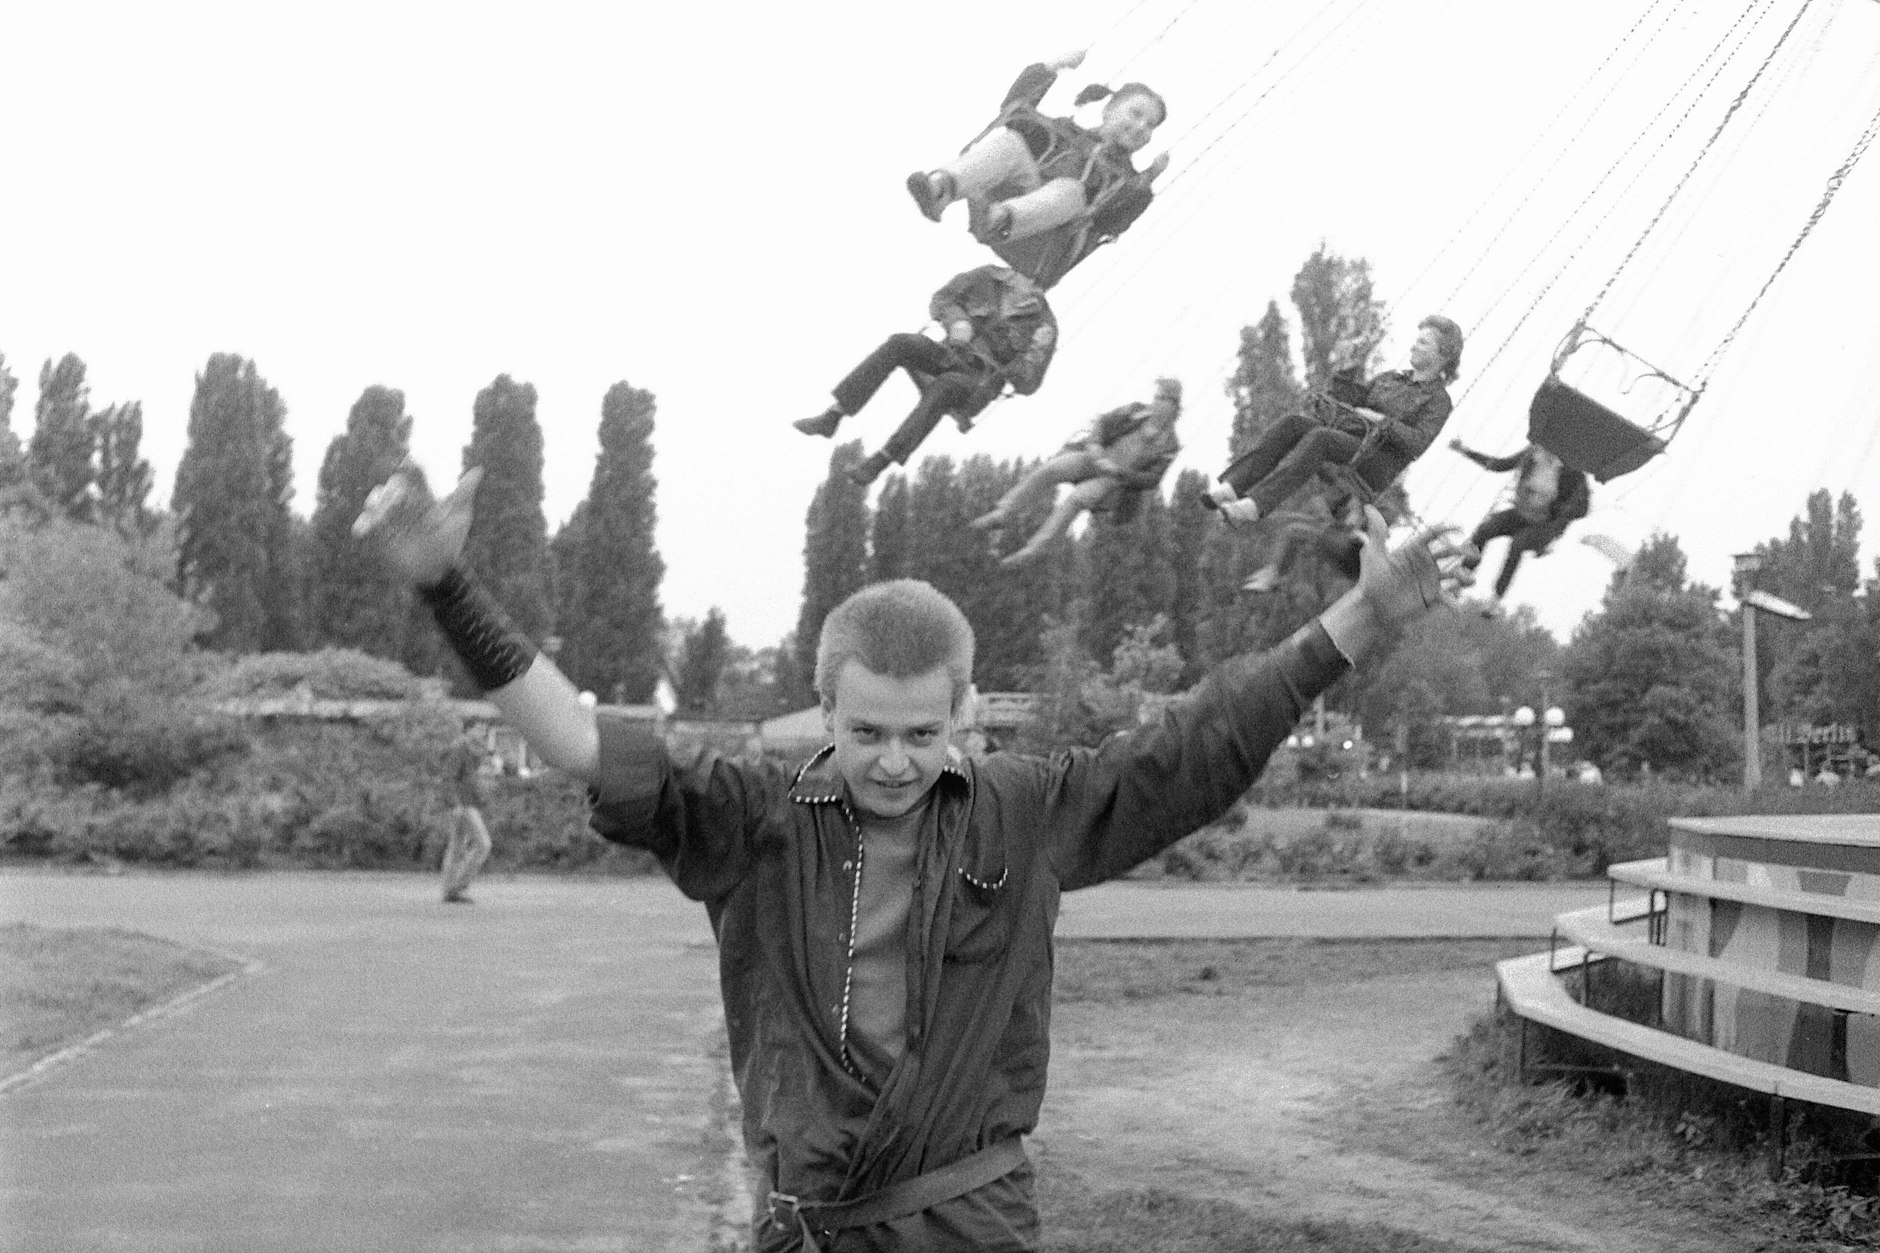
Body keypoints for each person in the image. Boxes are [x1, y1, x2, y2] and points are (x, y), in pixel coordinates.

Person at [355, 463, 1471, 1252]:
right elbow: (582, 740)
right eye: (866, 731)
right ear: (821, 706)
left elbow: (1195, 743)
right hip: (807, 1222)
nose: (893, 761)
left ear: (966, 712)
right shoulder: (751, 816)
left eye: (921, 733)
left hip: (967, 1221)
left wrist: (1361, 617)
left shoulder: (1023, 808)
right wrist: (449, 588)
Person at [793, 265, 1058, 487]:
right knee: (900, 343)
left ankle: (881, 460)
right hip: (949, 352)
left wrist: (1023, 361)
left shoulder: (1044, 326)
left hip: (977, 381)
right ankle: (833, 415)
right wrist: (957, 321)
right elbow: (942, 298)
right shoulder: (987, 277)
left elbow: (1028, 384)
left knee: (945, 387)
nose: (1034, 280)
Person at [1202, 315, 1465, 526]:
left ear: (1442, 354)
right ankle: (1233, 486)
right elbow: (1351, 399)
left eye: (1423, 343)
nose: (1413, 346)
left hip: (1376, 460)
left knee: (1321, 438)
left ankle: (1257, 505)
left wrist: (1381, 420)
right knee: (1293, 423)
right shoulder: (1391, 378)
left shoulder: (1438, 401)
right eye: (1416, 341)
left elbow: (1418, 443)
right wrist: (1349, 365)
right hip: (1351, 439)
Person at [905, 50, 1169, 255]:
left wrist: (1148, 179)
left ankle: (1000, 218)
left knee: (1071, 190)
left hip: (1053, 229)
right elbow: (1015, 110)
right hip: (1019, 189)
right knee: (1011, 142)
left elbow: (1114, 222)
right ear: (1109, 109)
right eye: (1136, 114)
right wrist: (1051, 67)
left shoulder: (1123, 180)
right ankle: (940, 188)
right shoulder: (1063, 133)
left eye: (1150, 126)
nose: (1139, 127)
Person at [970, 377, 1182, 567]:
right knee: (1052, 469)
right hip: (1094, 457)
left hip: (1112, 480)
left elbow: (1151, 478)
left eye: (1163, 399)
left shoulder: (1170, 445)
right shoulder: (1135, 411)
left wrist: (1119, 473)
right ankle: (1003, 512)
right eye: (1157, 397)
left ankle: (1034, 549)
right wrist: (1095, 445)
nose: (1157, 403)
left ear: (1173, 406)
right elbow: (1101, 422)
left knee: (1078, 499)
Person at [1450, 439, 1591, 599]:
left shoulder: (1573, 472)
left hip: (1544, 525)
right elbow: (1499, 465)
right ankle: (1464, 574)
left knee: (1518, 544)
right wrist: (1465, 451)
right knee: (1486, 529)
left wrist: (1559, 510)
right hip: (1521, 514)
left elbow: (1583, 509)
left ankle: (1497, 596)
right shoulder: (1532, 455)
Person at [440, 729, 494, 903]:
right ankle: (457, 887)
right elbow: (448, 778)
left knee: (456, 846)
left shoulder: (472, 754)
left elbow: (470, 780)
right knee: (483, 844)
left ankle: (450, 890)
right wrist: (454, 804)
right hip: (463, 806)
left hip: (468, 803)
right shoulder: (459, 751)